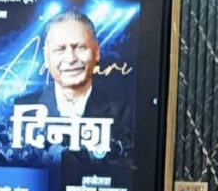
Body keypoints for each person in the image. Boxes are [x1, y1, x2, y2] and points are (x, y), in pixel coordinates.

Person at [14, 10, 133, 158]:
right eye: (60, 49)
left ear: (96, 52)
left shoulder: (122, 111)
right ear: (46, 56)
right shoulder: (22, 109)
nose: (70, 59)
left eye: (80, 47)